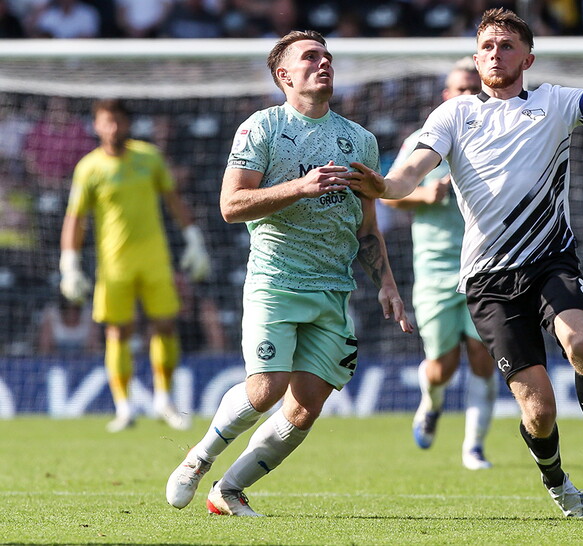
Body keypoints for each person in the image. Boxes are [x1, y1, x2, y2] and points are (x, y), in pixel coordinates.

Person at [346, 8, 583, 518]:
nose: (496, 54)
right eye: (487, 46)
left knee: (582, 344)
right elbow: (407, 175)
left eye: (507, 45)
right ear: (476, 59)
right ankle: (559, 484)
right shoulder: (453, 115)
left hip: (551, 260)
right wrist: (382, 185)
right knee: (539, 411)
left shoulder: (555, 103)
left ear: (527, 59)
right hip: (488, 279)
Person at [165, 30, 412, 517]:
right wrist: (299, 187)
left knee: (304, 408)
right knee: (266, 389)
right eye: (310, 57)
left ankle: (228, 490)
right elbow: (231, 205)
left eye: (327, 56)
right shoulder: (261, 127)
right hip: (276, 280)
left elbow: (366, 226)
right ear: (284, 75)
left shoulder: (359, 139)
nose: (324, 63)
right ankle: (199, 459)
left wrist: (387, 283)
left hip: (333, 289)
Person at [59, 99, 212, 432]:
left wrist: (194, 239)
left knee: (165, 326)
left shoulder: (149, 157)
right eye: (106, 121)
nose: (113, 128)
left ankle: (164, 400)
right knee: (117, 331)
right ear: (97, 126)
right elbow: (76, 217)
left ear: (127, 124)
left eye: (118, 121)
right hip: (113, 264)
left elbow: (173, 199)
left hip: (155, 258)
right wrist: (69, 262)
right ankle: (124, 408)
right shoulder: (88, 168)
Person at [382, 59, 498, 471]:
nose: (466, 95)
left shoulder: (498, 136)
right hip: (435, 267)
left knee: (483, 356)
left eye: (473, 88)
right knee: (442, 366)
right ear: (446, 96)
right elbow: (389, 194)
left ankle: (474, 447)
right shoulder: (422, 139)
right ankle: (430, 405)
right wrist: (425, 195)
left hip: (486, 264)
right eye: (459, 89)